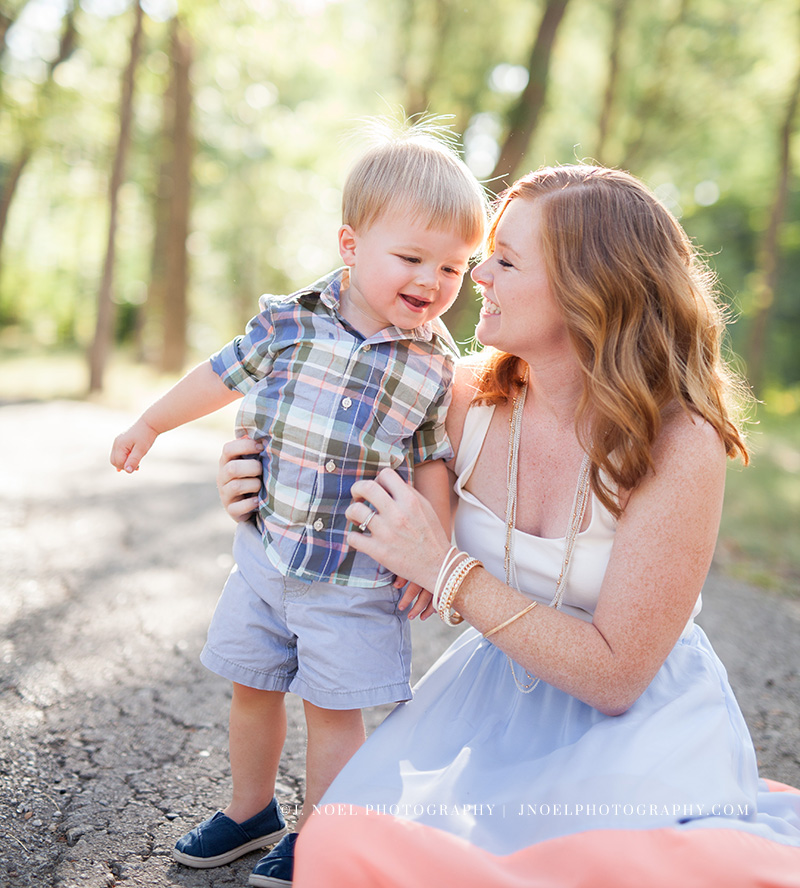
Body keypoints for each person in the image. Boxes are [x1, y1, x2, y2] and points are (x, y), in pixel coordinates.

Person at [219, 164, 800, 887]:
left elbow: (617, 675)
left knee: (607, 867)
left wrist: (448, 570)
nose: (477, 274)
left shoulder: (679, 441)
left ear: (591, 289)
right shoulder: (459, 399)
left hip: (639, 725)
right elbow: (322, 457)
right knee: (344, 850)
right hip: (483, 706)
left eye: (506, 259)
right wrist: (250, 478)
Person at [110, 119, 487, 887]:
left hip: (353, 584)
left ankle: (320, 838)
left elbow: (434, 467)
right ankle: (251, 811)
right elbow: (220, 373)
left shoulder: (432, 366)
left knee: (332, 714)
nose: (432, 281)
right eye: (411, 257)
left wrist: (435, 554)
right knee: (251, 688)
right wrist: (151, 420)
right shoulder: (291, 321)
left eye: (454, 267)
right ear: (351, 247)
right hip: (265, 559)